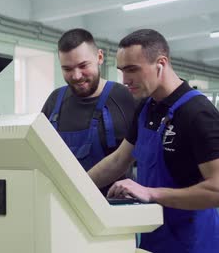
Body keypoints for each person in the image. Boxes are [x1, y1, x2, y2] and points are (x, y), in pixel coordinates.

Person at [88, 29, 219, 252]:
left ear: (161, 63)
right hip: (154, 238)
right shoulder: (147, 107)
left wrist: (150, 193)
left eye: (132, 70)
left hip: (193, 242)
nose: (125, 80)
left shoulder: (198, 113)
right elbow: (119, 159)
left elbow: (216, 190)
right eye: (122, 70)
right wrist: (74, 187)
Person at [41, 28, 135, 194]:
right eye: (67, 69)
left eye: (83, 66)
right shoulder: (55, 101)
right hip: (63, 202)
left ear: (99, 57)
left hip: (113, 207)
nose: (76, 76)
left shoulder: (124, 98)